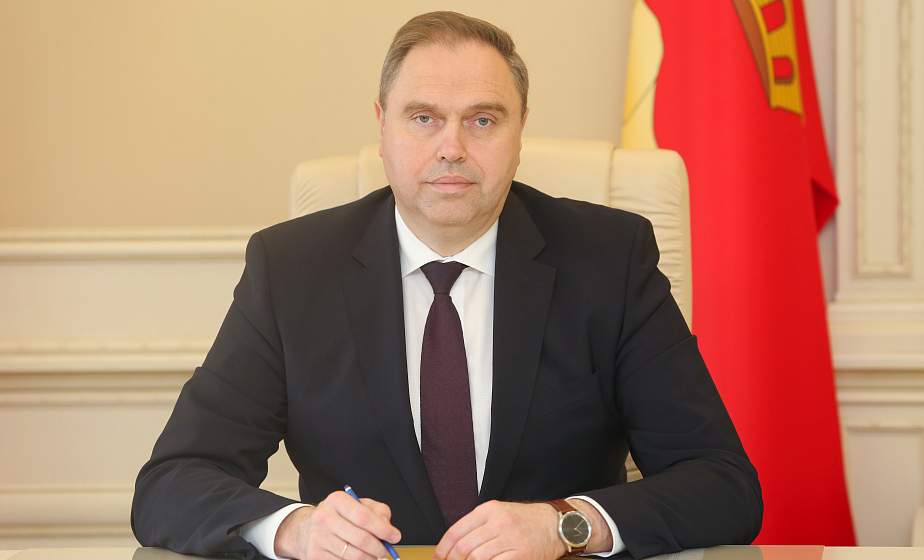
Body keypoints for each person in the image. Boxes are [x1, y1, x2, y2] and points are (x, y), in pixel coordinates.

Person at [131, 10, 762, 560]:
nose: (452, 148)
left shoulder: (609, 260)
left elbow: (723, 485)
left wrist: (566, 525)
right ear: (383, 125)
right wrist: (296, 530)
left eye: (482, 120)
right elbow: (172, 483)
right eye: (424, 118)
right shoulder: (293, 269)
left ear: (520, 131)